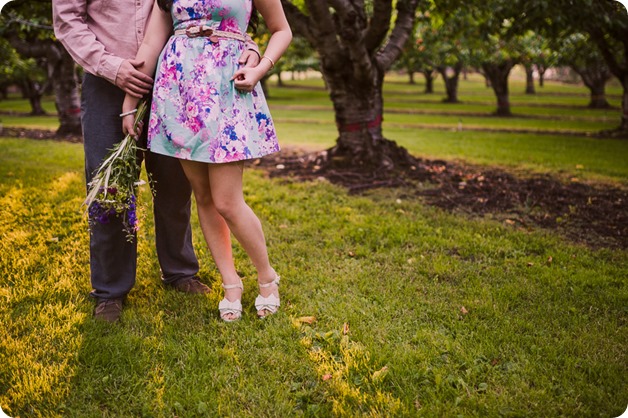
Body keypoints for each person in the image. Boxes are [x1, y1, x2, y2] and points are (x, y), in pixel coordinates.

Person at [52, 0, 262, 323]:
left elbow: (203, 9)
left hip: (176, 79)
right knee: (111, 188)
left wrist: (249, 44)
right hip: (108, 79)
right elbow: (67, 21)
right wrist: (115, 69)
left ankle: (179, 271)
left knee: (175, 184)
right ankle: (110, 290)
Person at [121, 0, 292, 321]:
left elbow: (282, 30)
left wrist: (260, 67)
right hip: (178, 92)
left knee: (227, 201)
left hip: (226, 87)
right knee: (203, 196)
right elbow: (150, 45)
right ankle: (231, 283)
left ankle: (267, 276)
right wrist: (130, 101)